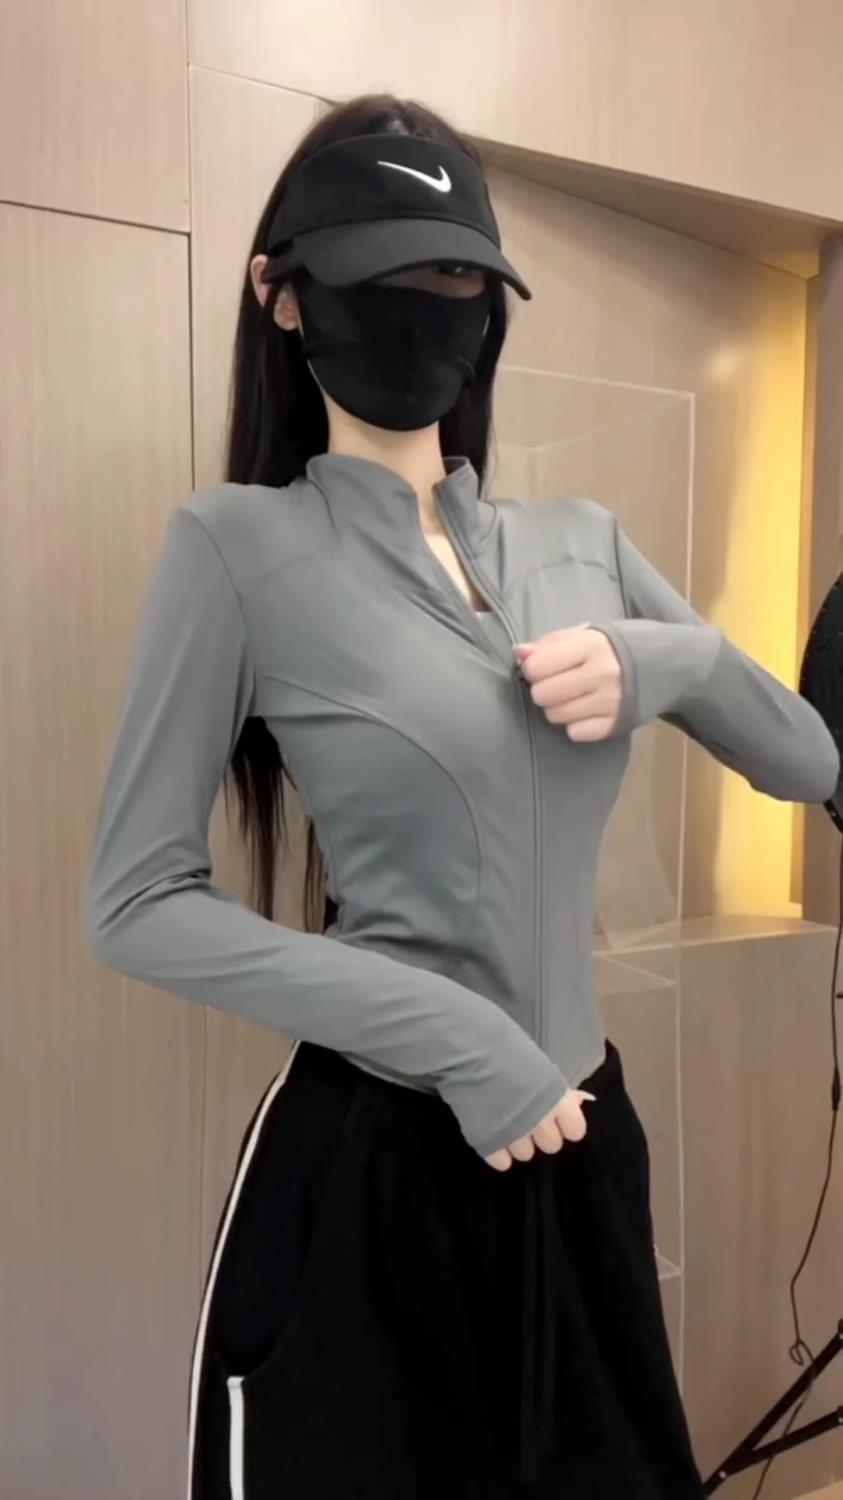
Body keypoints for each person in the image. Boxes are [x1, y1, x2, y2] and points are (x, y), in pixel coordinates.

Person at [82, 92, 840, 1500]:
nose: (428, 312)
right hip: (380, 1168)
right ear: (283, 294)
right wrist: (454, 1036)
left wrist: (663, 658)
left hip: (582, 1145)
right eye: (386, 277)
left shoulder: (582, 542)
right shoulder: (236, 548)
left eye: (458, 279)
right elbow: (134, 904)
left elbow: (809, 760)